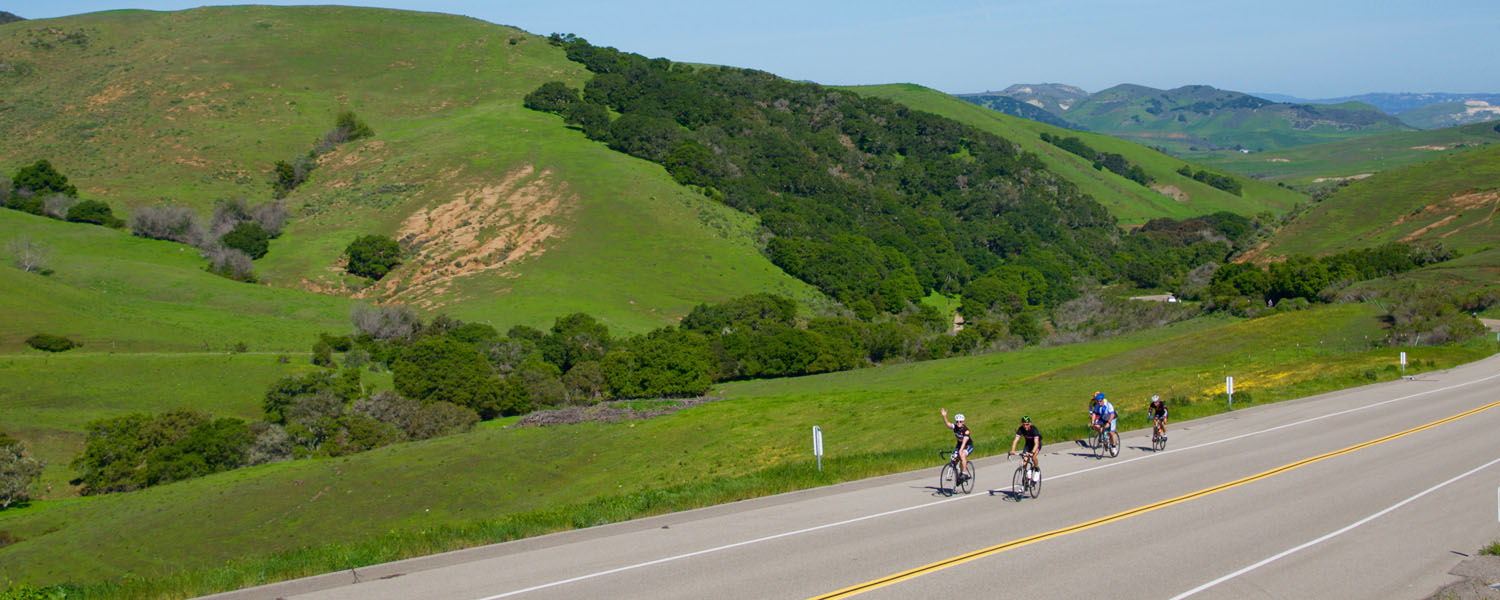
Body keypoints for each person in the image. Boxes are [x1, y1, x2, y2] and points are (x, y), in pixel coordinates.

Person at [940, 408, 973, 481]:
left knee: (962, 455)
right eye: (957, 421)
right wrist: (944, 416)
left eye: (960, 421)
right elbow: (948, 424)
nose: (959, 423)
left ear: (963, 422)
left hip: (968, 445)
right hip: (959, 445)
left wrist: (960, 451)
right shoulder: (955, 427)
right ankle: (955, 475)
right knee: (954, 458)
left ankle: (964, 473)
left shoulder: (966, 430)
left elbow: (964, 442)